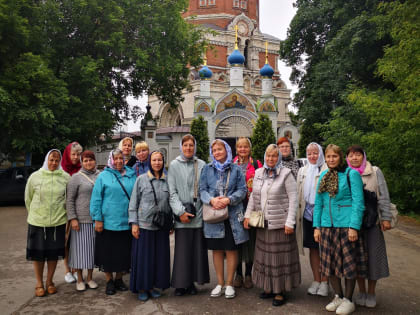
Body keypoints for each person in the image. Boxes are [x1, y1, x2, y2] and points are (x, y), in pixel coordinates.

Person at [244, 144, 301, 307]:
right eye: (268, 156)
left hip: (281, 225)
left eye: (274, 156)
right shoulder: (259, 173)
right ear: (264, 157)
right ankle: (268, 287)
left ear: (279, 158)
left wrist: (290, 222)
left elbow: (293, 199)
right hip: (263, 224)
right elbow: (254, 197)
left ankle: (279, 291)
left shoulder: (286, 174)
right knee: (265, 259)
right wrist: (247, 216)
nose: (271, 159)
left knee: (279, 260)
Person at [313, 144, 367, 315]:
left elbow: (358, 203)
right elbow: (319, 204)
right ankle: (339, 296)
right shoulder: (323, 176)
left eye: (334, 156)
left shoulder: (351, 175)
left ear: (340, 157)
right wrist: (317, 227)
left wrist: (354, 226)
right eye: (328, 157)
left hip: (345, 226)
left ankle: (349, 299)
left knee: (348, 264)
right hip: (327, 227)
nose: (331, 160)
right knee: (329, 265)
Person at [199, 139, 248, 299]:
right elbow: (202, 190)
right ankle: (219, 283)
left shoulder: (236, 169)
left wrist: (229, 200)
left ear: (227, 150)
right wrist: (212, 200)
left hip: (232, 215)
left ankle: (229, 284)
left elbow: (242, 189)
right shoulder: (207, 169)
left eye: (220, 149)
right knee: (217, 249)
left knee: (231, 248)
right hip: (214, 214)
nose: (217, 152)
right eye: (214, 150)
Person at [346, 145, 391, 308]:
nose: (354, 158)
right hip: (354, 224)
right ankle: (362, 291)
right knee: (357, 258)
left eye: (358, 155)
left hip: (373, 223)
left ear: (363, 156)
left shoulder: (375, 171)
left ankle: (371, 292)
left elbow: (384, 196)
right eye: (351, 155)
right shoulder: (346, 173)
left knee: (373, 257)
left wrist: (386, 218)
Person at [90, 149, 136, 295]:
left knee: (123, 253)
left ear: (124, 159)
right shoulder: (103, 176)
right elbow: (96, 199)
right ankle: (109, 281)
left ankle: (119, 279)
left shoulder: (132, 174)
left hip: (126, 222)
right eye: (115, 158)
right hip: (108, 223)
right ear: (111, 159)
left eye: (121, 158)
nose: (118, 161)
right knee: (108, 254)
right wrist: (97, 219)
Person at [25, 149, 71, 297]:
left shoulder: (65, 177)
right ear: (46, 160)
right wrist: (36, 213)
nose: (54, 163)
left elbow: (68, 199)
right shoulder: (35, 177)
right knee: (38, 255)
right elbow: (28, 198)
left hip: (58, 222)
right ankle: (39, 283)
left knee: (53, 255)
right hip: (38, 222)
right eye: (51, 160)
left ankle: (49, 282)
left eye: (57, 160)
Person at [168, 134, 210, 296]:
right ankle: (180, 284)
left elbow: (205, 189)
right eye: (185, 145)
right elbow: (172, 192)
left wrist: (201, 211)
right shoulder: (174, 165)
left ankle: (192, 282)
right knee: (182, 251)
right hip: (182, 215)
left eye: (191, 145)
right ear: (181, 147)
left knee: (197, 251)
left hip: (198, 214)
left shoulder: (202, 165)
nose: (188, 148)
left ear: (195, 147)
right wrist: (180, 212)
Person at [129, 151, 172, 301]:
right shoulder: (141, 180)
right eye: (154, 160)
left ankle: (153, 286)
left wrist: (170, 222)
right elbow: (133, 203)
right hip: (144, 225)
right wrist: (134, 224)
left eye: (160, 160)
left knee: (158, 259)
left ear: (163, 162)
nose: (157, 163)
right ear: (150, 162)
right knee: (144, 259)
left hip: (161, 227)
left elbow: (170, 202)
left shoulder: (168, 181)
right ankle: (142, 287)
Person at [296, 142, 329, 296]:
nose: (312, 156)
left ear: (320, 153)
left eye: (315, 153)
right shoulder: (303, 170)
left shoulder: (327, 170)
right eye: (309, 153)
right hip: (307, 215)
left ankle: (325, 282)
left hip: (323, 216)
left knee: (325, 250)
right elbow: (298, 192)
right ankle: (316, 279)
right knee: (313, 249)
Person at [66, 150, 100, 291]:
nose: (88, 163)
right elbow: (69, 200)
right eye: (85, 160)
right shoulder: (75, 178)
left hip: (96, 220)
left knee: (92, 251)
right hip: (80, 221)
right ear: (81, 162)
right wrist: (73, 218)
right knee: (79, 252)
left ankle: (90, 278)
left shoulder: (101, 175)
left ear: (94, 161)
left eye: (90, 160)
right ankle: (79, 279)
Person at [232, 137, 262, 289]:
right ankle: (238, 274)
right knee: (237, 241)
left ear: (249, 149)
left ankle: (248, 274)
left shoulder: (256, 164)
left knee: (250, 242)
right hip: (235, 208)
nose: (243, 149)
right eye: (240, 147)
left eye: (245, 147)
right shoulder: (232, 164)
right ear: (236, 149)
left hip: (252, 208)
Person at [61, 141, 83, 283]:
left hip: (79, 212)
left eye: (78, 154)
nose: (75, 157)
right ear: (68, 154)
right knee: (66, 242)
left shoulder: (82, 169)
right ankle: (67, 270)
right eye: (73, 154)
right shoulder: (61, 171)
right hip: (63, 213)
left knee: (76, 242)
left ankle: (75, 269)